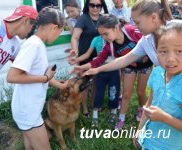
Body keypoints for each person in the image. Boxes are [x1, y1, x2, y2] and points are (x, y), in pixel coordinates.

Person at [71, 14, 153, 129]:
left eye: (105, 33)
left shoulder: (131, 30)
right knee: (126, 94)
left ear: (116, 27)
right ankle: (121, 119)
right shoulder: (109, 45)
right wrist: (82, 67)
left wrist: (148, 54)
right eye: (101, 35)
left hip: (146, 65)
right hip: (130, 66)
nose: (104, 38)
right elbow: (98, 60)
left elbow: (150, 38)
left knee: (140, 92)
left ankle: (141, 108)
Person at [7, 7, 66, 150]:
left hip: (27, 108)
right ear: (54, 27)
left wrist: (63, 86)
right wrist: (45, 78)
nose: (59, 35)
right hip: (29, 111)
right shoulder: (33, 44)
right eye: (60, 32)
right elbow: (12, 76)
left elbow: (40, 76)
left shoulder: (37, 44)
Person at [0, 5, 38, 150]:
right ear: (26, 20)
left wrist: (48, 78)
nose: (31, 32)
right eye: (32, 27)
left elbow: (24, 70)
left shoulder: (14, 46)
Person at [82, 0, 173, 76]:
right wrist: (98, 70)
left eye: (137, 23)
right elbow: (124, 60)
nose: (136, 27)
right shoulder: (146, 41)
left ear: (153, 17)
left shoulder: (177, 29)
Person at [134, 22, 182, 150]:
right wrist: (140, 130)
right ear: (156, 51)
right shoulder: (157, 72)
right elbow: (149, 104)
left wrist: (165, 118)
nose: (170, 58)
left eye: (179, 51)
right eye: (163, 51)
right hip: (148, 142)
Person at [69, 35, 120, 127]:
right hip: (100, 69)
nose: (105, 36)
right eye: (102, 33)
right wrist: (76, 60)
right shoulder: (96, 39)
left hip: (114, 69)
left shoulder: (116, 40)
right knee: (98, 92)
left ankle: (113, 111)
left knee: (113, 92)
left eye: (106, 33)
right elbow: (88, 54)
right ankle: (95, 115)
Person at [70, 0, 108, 117]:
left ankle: (94, 105)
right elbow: (75, 38)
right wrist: (75, 51)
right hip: (85, 56)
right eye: (92, 5)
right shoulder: (83, 18)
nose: (95, 8)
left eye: (98, 5)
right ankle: (85, 107)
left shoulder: (103, 18)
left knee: (97, 82)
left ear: (102, 6)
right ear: (88, 5)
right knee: (84, 84)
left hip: (101, 57)